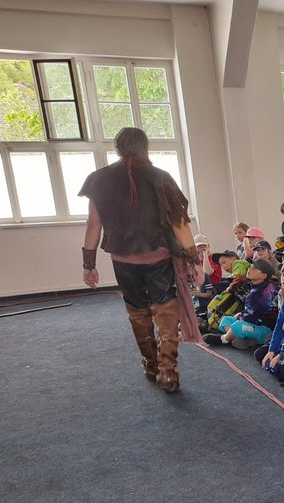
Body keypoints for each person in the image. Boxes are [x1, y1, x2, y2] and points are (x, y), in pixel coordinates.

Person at [79, 126, 200, 393]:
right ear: (145, 147)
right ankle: (168, 372)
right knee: (165, 311)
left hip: (123, 260)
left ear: (117, 148)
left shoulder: (99, 179)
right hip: (159, 257)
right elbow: (180, 223)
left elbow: (93, 224)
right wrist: (195, 260)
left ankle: (152, 365)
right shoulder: (161, 177)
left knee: (137, 312)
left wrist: (89, 264)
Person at [207, 259, 279, 348]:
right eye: (251, 266)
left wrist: (239, 316)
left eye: (255, 268)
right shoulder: (271, 284)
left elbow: (249, 319)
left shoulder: (257, 294)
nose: (250, 268)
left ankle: (224, 339)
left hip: (264, 330)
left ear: (264, 275)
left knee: (238, 325)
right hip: (255, 325)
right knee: (226, 319)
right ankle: (241, 339)